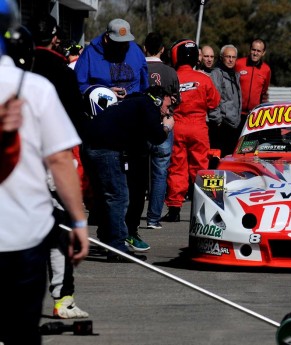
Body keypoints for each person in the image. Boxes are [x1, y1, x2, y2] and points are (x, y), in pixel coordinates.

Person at [0, 1, 89, 342]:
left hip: (24, 233)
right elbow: (60, 160)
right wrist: (78, 220)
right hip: (25, 236)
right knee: (22, 332)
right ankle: (62, 298)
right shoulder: (38, 89)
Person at [28, 13, 90, 319]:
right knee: (62, 229)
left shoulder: (16, 68)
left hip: (16, 162)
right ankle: (63, 297)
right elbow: (75, 122)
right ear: (55, 38)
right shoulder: (63, 73)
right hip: (52, 159)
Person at [82, 86, 175, 261]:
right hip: (105, 148)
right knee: (118, 196)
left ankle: (106, 238)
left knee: (104, 195)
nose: (168, 112)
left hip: (89, 144)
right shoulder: (148, 105)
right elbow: (156, 137)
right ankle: (117, 247)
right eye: (168, 107)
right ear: (159, 99)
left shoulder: (133, 103)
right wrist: (167, 127)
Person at [161, 39, 220, 222]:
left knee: (177, 168)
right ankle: (204, 208)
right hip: (199, 127)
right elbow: (214, 102)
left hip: (177, 125)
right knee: (201, 168)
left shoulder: (172, 77)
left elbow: (165, 101)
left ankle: (174, 210)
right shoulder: (204, 79)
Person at [143, 32, 180, 230]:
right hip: (163, 123)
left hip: (140, 125)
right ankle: (153, 219)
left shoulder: (139, 67)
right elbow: (177, 99)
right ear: (163, 50)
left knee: (137, 174)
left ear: (144, 48)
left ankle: (130, 217)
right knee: (160, 173)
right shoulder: (170, 72)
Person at [74, 18, 149, 98]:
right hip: (103, 107)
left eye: (125, 42)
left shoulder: (136, 50)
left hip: (133, 105)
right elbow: (78, 84)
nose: (122, 46)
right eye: (118, 43)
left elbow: (144, 84)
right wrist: (105, 92)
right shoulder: (90, 53)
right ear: (107, 39)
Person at [210, 44, 242, 157]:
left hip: (234, 125)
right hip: (222, 125)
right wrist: (218, 121)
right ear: (221, 57)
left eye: (233, 57)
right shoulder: (217, 74)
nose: (230, 60)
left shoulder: (235, 74)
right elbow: (213, 100)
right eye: (228, 56)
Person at [235, 38, 271, 114]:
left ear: (263, 53)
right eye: (253, 50)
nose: (255, 53)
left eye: (258, 51)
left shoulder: (266, 69)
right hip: (236, 112)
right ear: (250, 50)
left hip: (254, 114)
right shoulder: (238, 64)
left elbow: (264, 91)